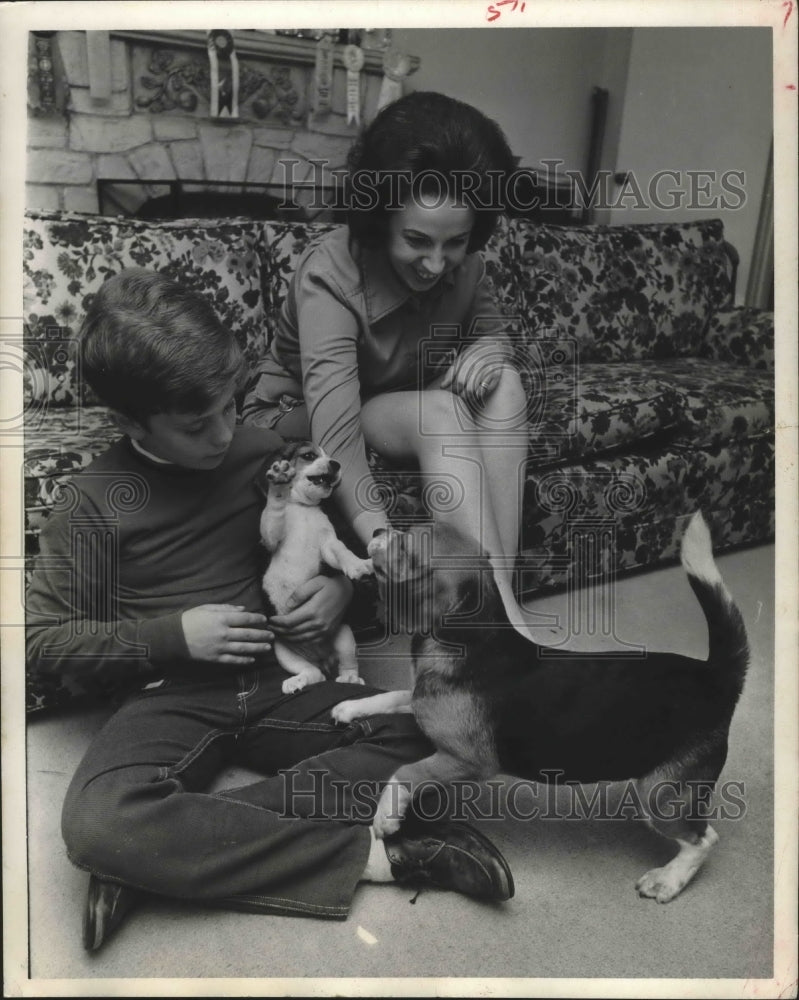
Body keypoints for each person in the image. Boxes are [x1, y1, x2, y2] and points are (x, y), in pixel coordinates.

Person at [25, 269, 514, 953]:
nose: (226, 433)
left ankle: (164, 856)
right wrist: (170, 636)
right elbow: (41, 645)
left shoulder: (265, 457)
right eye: (198, 425)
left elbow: (336, 555)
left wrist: (341, 591)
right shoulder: (93, 501)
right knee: (98, 826)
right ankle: (385, 858)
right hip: (170, 696)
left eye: (230, 406)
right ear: (132, 420)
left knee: (448, 732)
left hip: (288, 677)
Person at [242, 92, 533, 633]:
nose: (435, 263)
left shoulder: (463, 264)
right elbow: (336, 429)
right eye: (417, 240)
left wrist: (492, 348)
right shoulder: (328, 271)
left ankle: (499, 608)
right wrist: (378, 534)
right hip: (300, 414)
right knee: (439, 412)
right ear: (380, 220)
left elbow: (493, 329)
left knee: (506, 385)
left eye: (456, 243)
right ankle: (495, 622)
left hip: (390, 397)